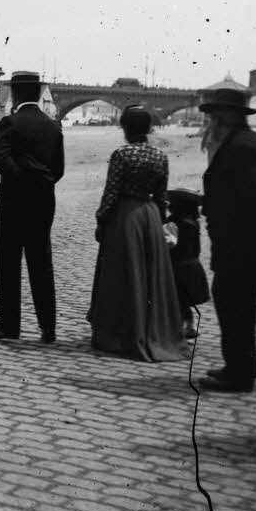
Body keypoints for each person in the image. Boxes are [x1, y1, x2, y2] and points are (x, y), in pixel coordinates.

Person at [196, 88, 256, 392]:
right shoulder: (247, 142)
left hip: (240, 243)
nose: (207, 122)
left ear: (225, 117)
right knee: (238, 304)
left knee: (233, 303)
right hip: (241, 242)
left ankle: (239, 373)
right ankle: (241, 365)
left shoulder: (240, 147)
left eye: (211, 116)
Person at [86, 106, 189, 361]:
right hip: (150, 215)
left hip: (125, 217)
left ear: (125, 128)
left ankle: (119, 331)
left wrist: (101, 219)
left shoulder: (122, 154)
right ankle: (148, 327)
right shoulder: (159, 155)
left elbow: (111, 193)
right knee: (148, 273)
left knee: (122, 273)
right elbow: (162, 196)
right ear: (149, 129)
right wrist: (160, 224)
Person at [0, 71, 64, 344]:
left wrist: (21, 179)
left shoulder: (10, 122)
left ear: (15, 94)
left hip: (13, 202)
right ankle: (47, 328)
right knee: (42, 263)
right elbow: (58, 170)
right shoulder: (53, 126)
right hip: (43, 202)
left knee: (8, 263)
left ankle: (9, 325)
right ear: (39, 94)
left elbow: (0, 159)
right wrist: (38, 182)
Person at [164, 188, 210, 341]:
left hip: (178, 266)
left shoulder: (173, 222)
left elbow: (169, 244)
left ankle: (180, 327)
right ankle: (189, 325)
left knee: (177, 297)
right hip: (193, 265)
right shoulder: (193, 223)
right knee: (184, 299)